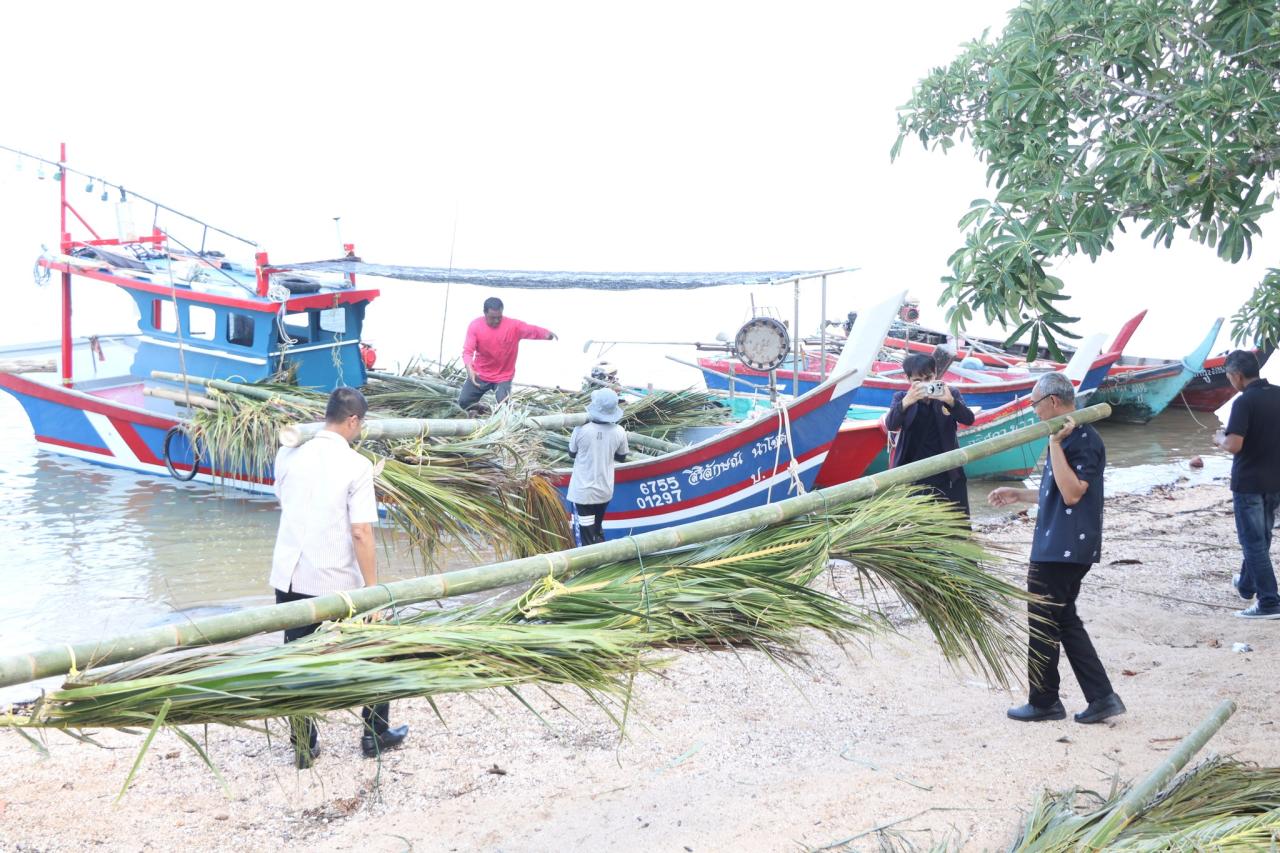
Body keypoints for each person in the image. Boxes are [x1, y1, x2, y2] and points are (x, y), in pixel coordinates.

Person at [270, 387, 409, 767]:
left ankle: (304, 744)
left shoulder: (289, 452)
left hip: (288, 576)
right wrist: (372, 590)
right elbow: (361, 531)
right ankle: (375, 733)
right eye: (359, 425)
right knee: (376, 649)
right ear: (352, 421)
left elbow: (283, 498)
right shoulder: (356, 465)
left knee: (297, 659)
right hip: (333, 582)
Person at [988, 372, 1125, 725]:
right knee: (1063, 620)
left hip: (1063, 548)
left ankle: (1045, 700)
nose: (1034, 412)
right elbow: (1060, 490)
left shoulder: (1078, 438)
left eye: (1035, 405)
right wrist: (1021, 495)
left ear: (1052, 401)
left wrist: (1053, 444)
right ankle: (1101, 697)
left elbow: (1073, 492)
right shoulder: (1069, 435)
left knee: (1044, 623)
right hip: (1060, 543)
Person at [1213, 350, 1280, 618]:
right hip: (1275, 479)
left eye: (1229, 377)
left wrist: (1219, 438)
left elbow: (1234, 444)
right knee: (1260, 538)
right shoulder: (1278, 394)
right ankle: (1246, 584)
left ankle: (1269, 602)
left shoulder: (1244, 402)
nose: (1230, 381)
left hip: (1249, 482)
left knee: (1253, 542)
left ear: (1237, 375)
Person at [884, 353, 975, 516]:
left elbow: (968, 419)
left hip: (947, 470)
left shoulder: (950, 393)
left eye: (928, 378)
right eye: (918, 381)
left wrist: (951, 402)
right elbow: (891, 424)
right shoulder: (901, 397)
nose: (925, 384)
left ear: (936, 374)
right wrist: (906, 403)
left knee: (955, 523)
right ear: (908, 379)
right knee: (914, 524)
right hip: (913, 472)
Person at [458, 297, 557, 411]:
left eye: (499, 318)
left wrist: (546, 334)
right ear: (485, 313)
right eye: (492, 318)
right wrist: (470, 370)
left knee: (504, 408)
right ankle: (483, 410)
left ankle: (499, 416)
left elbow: (530, 330)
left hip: (503, 376)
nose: (496, 321)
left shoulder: (513, 326)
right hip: (480, 373)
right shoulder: (475, 326)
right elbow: (467, 352)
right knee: (464, 402)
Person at [566, 388, 629, 545]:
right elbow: (622, 457)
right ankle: (601, 560)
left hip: (583, 493)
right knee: (597, 529)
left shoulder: (580, 429)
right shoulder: (619, 432)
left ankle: (590, 566)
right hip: (604, 491)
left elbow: (571, 453)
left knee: (585, 536)